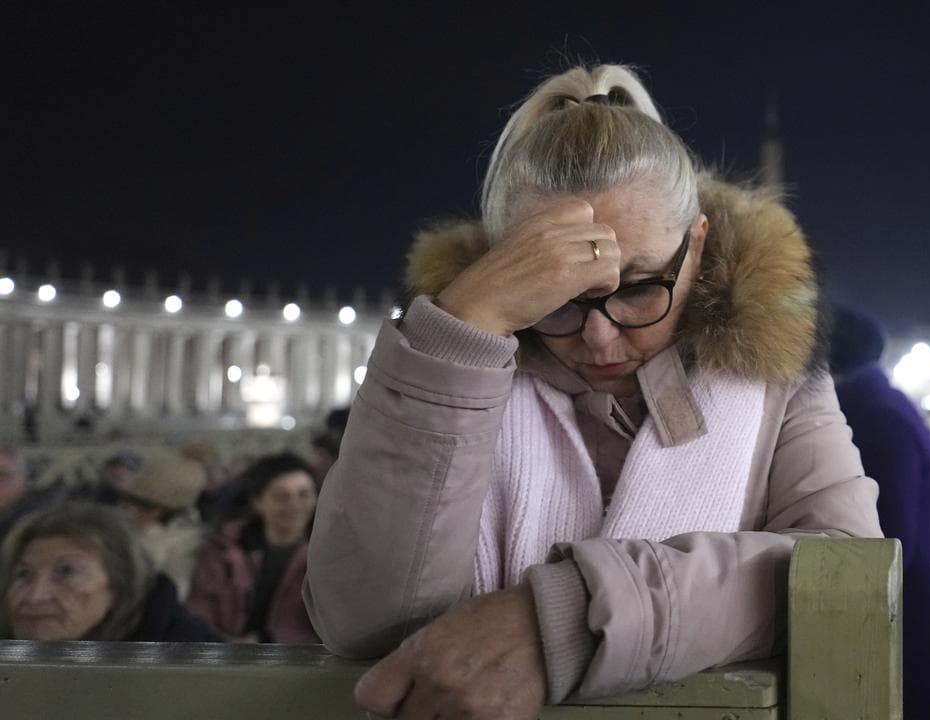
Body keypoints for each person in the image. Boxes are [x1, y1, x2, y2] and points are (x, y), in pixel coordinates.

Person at [303, 64, 883, 719]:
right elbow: (364, 616)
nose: (600, 339)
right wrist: (463, 331)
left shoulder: (775, 374)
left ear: (697, 246)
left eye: (638, 287)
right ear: (504, 265)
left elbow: (847, 569)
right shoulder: (445, 361)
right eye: (556, 298)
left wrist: (570, 620)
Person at [828, 307, 930, 720]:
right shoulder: (882, 405)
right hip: (918, 627)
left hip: (915, 636)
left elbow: (891, 538)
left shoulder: (874, 416)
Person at [0, 502, 220, 642]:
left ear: (120, 586)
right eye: (23, 574)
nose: (35, 596)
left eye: (66, 572)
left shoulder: (194, 667)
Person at [186, 453, 319, 644]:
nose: (295, 505)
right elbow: (200, 610)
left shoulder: (327, 555)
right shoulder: (224, 550)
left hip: (300, 659)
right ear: (257, 502)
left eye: (304, 494)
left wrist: (266, 641)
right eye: (282, 496)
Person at [112, 453, 207, 601]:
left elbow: (175, 595)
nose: (121, 511)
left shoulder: (184, 546)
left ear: (155, 511)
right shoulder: (137, 533)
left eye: (129, 505)